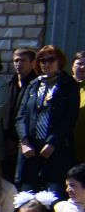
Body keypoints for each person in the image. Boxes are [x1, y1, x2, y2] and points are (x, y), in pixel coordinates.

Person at [16, 45, 78, 195]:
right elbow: (21, 116)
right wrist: (24, 142)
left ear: (59, 61)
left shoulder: (69, 85)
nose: (46, 64)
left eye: (51, 60)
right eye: (42, 60)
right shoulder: (33, 85)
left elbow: (69, 118)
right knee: (25, 198)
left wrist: (52, 142)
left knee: (53, 197)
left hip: (55, 150)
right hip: (30, 149)